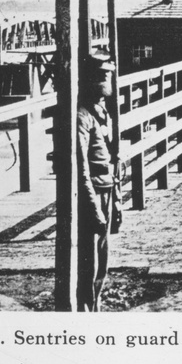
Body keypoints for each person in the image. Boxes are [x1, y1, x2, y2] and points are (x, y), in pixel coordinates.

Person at [76, 56, 122, 311]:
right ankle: (88, 307)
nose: (107, 80)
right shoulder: (83, 117)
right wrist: (94, 206)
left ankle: (96, 302)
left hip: (107, 189)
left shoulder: (101, 112)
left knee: (102, 257)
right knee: (91, 259)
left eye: (109, 75)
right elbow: (81, 167)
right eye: (102, 75)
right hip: (95, 192)